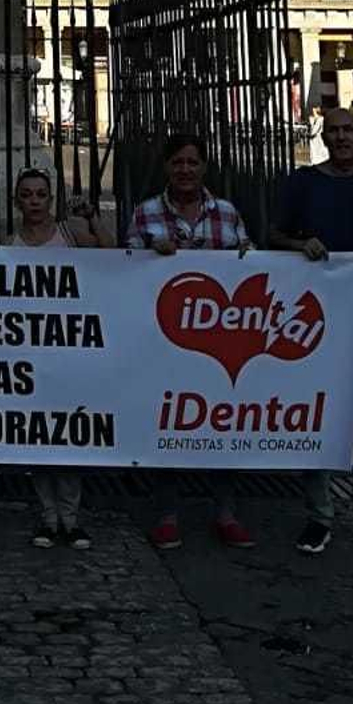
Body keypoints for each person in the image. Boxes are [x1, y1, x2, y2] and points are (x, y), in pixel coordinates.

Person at [268, 106, 353, 559]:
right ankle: (318, 512)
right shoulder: (303, 183)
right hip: (310, 321)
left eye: (349, 130)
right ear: (323, 137)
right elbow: (274, 235)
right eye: (334, 131)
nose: (342, 137)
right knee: (316, 415)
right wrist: (297, 244)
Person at [127, 131, 256, 552]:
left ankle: (226, 511)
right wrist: (148, 254)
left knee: (224, 424)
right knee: (168, 424)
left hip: (220, 341)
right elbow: (124, 270)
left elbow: (250, 263)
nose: (185, 169)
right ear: (167, 167)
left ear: (204, 167)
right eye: (178, 162)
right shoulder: (145, 213)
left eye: (192, 162)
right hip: (165, 341)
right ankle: (167, 513)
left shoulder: (227, 212)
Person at [12, 166, 109, 549]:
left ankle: (70, 517)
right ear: (17, 200)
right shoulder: (9, 243)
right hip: (30, 354)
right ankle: (48, 517)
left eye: (40, 194)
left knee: (70, 439)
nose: (34, 201)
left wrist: (92, 218)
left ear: (50, 199)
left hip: (70, 352)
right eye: (27, 194)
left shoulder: (70, 234)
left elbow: (113, 256)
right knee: (38, 441)